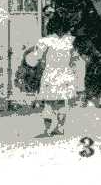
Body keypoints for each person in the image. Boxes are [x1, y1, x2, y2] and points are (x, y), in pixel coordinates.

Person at [30, 8, 80, 137]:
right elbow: (75, 59)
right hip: (65, 74)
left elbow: (34, 59)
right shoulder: (70, 41)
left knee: (48, 103)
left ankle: (46, 130)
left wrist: (30, 60)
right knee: (62, 102)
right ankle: (60, 127)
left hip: (50, 74)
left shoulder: (45, 41)